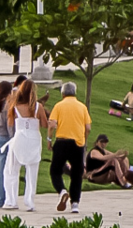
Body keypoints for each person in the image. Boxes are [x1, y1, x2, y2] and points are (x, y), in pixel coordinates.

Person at [3, 78, 47, 211]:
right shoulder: (38, 107)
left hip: (19, 138)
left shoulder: (15, 106)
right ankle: (29, 202)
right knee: (32, 173)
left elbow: (10, 123)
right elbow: (44, 124)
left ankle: (11, 201)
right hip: (34, 139)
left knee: (11, 170)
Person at [47, 81, 91, 214]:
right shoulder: (82, 107)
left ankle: (62, 191)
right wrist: (84, 140)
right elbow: (88, 127)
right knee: (77, 174)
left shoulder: (59, 106)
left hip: (61, 142)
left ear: (63, 93)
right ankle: (75, 204)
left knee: (55, 170)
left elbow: (52, 125)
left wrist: (49, 139)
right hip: (77, 143)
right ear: (75, 92)